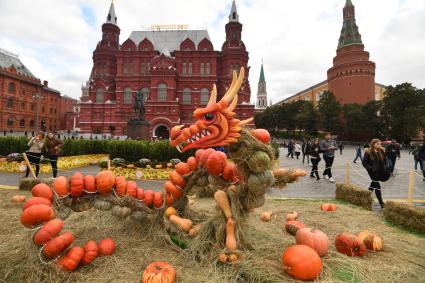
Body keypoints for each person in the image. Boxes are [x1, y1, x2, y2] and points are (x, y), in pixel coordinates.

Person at [362, 139, 389, 208]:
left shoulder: (381, 151)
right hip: (373, 172)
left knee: (373, 184)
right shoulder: (368, 152)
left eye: (380, 144)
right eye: (378, 144)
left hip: (380, 171)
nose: (379, 145)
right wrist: (370, 169)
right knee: (377, 186)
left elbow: (385, 160)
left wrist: (386, 167)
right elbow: (364, 162)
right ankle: (381, 203)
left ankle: (365, 197)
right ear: (373, 144)